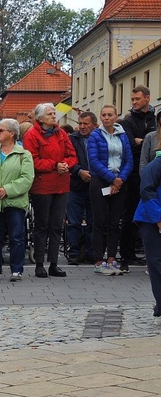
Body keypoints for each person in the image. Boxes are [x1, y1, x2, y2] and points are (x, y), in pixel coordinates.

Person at [22, 102, 77, 278]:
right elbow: (32, 160)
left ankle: (54, 263)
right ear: (40, 118)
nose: (54, 116)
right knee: (41, 225)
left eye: (54, 113)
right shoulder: (32, 135)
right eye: (50, 114)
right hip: (42, 186)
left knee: (56, 225)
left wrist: (65, 165)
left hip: (61, 185)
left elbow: (72, 155)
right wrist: (55, 165)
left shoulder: (61, 133)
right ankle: (39, 264)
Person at [0, 118, 34, 282]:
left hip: (15, 202)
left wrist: (7, 190)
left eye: (1, 130)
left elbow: (27, 178)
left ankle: (17, 269)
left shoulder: (24, 154)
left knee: (17, 236)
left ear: (12, 133)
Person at [88, 105, 133, 275]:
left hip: (119, 182)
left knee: (115, 222)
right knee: (99, 221)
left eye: (110, 115)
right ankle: (99, 261)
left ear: (116, 117)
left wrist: (119, 180)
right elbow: (94, 161)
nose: (106, 118)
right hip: (100, 181)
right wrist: (111, 178)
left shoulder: (122, 135)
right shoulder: (95, 135)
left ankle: (112, 258)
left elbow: (128, 159)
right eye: (103, 115)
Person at [120, 85, 156, 271]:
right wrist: (146, 142)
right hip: (133, 174)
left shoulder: (155, 119)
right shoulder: (128, 121)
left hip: (155, 175)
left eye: (137, 99)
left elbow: (153, 143)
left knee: (152, 213)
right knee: (129, 214)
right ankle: (126, 256)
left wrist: (142, 141)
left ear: (147, 98)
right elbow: (130, 145)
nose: (134, 102)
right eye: (132, 99)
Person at [66, 112, 98, 265]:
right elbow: (67, 158)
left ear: (94, 124)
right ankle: (74, 252)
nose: (82, 127)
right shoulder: (71, 139)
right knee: (73, 222)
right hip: (75, 185)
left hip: (96, 185)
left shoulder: (99, 138)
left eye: (86, 124)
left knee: (94, 221)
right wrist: (79, 171)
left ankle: (92, 252)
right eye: (80, 123)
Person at [133, 155, 161, 326]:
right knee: (157, 262)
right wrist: (158, 217)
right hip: (151, 219)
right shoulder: (157, 164)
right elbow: (146, 189)